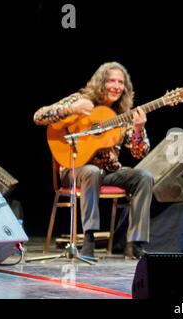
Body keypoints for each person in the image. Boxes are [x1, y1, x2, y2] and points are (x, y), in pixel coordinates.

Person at [34, 61, 154, 259]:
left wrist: (139, 131)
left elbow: (140, 153)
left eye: (120, 82)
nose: (116, 86)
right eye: (111, 81)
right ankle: (88, 241)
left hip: (109, 172)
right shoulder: (81, 100)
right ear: (101, 82)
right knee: (91, 171)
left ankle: (135, 244)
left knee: (144, 177)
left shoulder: (124, 115)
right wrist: (70, 109)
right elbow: (39, 116)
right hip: (75, 171)